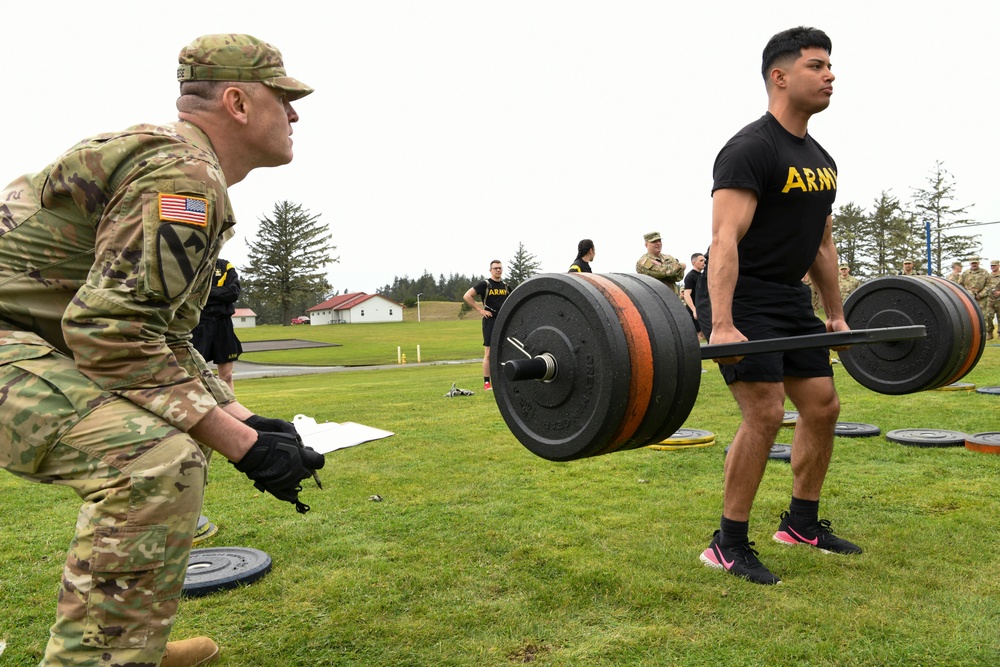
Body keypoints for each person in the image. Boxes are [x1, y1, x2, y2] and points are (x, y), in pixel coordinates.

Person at [0, 34, 325, 666]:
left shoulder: (181, 168)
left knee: (171, 438)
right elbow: (110, 332)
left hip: (28, 334)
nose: (293, 114)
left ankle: (124, 643)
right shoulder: (183, 176)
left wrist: (245, 420)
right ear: (236, 101)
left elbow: (164, 338)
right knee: (152, 460)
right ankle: (104, 656)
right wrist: (245, 447)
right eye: (282, 97)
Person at [695, 26, 861, 586]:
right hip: (741, 297)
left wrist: (834, 313)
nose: (830, 74)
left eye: (830, 65)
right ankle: (728, 542)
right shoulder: (749, 149)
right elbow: (724, 241)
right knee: (764, 413)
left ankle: (801, 524)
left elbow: (821, 245)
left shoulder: (822, 161)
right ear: (780, 76)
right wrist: (721, 323)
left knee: (822, 406)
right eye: (817, 65)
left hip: (790, 296)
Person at [191, 258, 243, 390]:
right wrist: (220, 292)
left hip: (223, 324)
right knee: (196, 376)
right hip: (199, 324)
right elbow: (190, 293)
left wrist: (206, 292)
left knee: (227, 376)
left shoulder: (225, 266)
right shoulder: (191, 264)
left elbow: (233, 293)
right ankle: (202, 409)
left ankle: (229, 409)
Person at [464, 260, 510, 390]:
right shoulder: (485, 284)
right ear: (490, 270)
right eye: (495, 268)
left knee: (505, 350)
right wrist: (480, 310)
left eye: (500, 268)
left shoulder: (505, 286)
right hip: (490, 320)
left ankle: (503, 379)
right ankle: (486, 383)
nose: (498, 270)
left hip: (503, 321)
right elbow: (467, 296)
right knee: (489, 352)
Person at [635, 232, 686, 296]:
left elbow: (679, 277)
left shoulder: (668, 258)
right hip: (655, 298)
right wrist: (681, 265)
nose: (658, 243)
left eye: (659, 241)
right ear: (646, 245)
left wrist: (668, 269)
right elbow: (661, 272)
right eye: (654, 242)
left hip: (672, 297)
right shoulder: (644, 261)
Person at [682, 253, 707, 341]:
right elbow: (687, 294)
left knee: (705, 334)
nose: (703, 262)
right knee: (698, 335)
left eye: (704, 260)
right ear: (693, 263)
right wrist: (694, 310)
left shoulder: (702, 276)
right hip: (694, 311)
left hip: (702, 309)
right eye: (701, 260)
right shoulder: (690, 276)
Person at [959, 257, 989, 322]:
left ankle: (983, 332)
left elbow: (988, 285)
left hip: (981, 300)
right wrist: (966, 294)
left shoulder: (984, 272)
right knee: (969, 317)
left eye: (975, 263)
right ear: (970, 264)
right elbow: (960, 285)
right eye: (972, 263)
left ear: (978, 263)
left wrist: (981, 294)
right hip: (968, 299)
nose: (974, 264)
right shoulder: (965, 273)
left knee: (983, 318)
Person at [985, 260, 1000, 340]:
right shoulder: (988, 276)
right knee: (989, 316)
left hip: (999, 300)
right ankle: (989, 333)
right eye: (991, 266)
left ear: (998, 265)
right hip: (990, 300)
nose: (993, 267)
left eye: (994, 265)